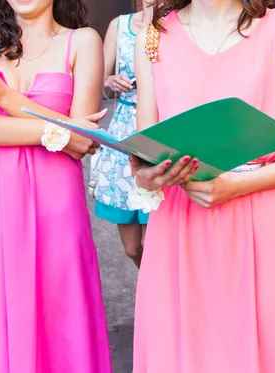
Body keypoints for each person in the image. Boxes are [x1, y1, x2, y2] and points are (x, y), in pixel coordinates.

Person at [130, 0, 275, 372]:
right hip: (180, 222)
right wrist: (147, 176)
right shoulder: (154, 36)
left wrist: (240, 185)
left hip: (260, 215)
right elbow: (145, 153)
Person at [0, 0, 112, 372]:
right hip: (2, 198)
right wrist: (56, 130)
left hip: (58, 200)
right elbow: (75, 134)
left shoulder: (82, 41)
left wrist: (6, 101)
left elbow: (82, 141)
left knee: (63, 303)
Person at [93, 0, 156, 268]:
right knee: (132, 248)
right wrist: (109, 82)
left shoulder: (178, 25)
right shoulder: (118, 25)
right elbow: (99, 84)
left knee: (154, 244)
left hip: (158, 130)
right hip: (122, 135)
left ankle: (158, 302)